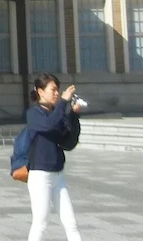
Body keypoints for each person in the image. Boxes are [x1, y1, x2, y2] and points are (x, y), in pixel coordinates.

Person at [25, 73, 83, 241]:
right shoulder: (34, 113)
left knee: (71, 222)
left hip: (58, 175)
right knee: (41, 222)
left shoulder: (58, 114)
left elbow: (69, 143)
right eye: (53, 90)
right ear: (40, 92)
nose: (57, 93)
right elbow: (48, 126)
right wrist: (64, 102)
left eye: (58, 90)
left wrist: (73, 116)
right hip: (40, 175)